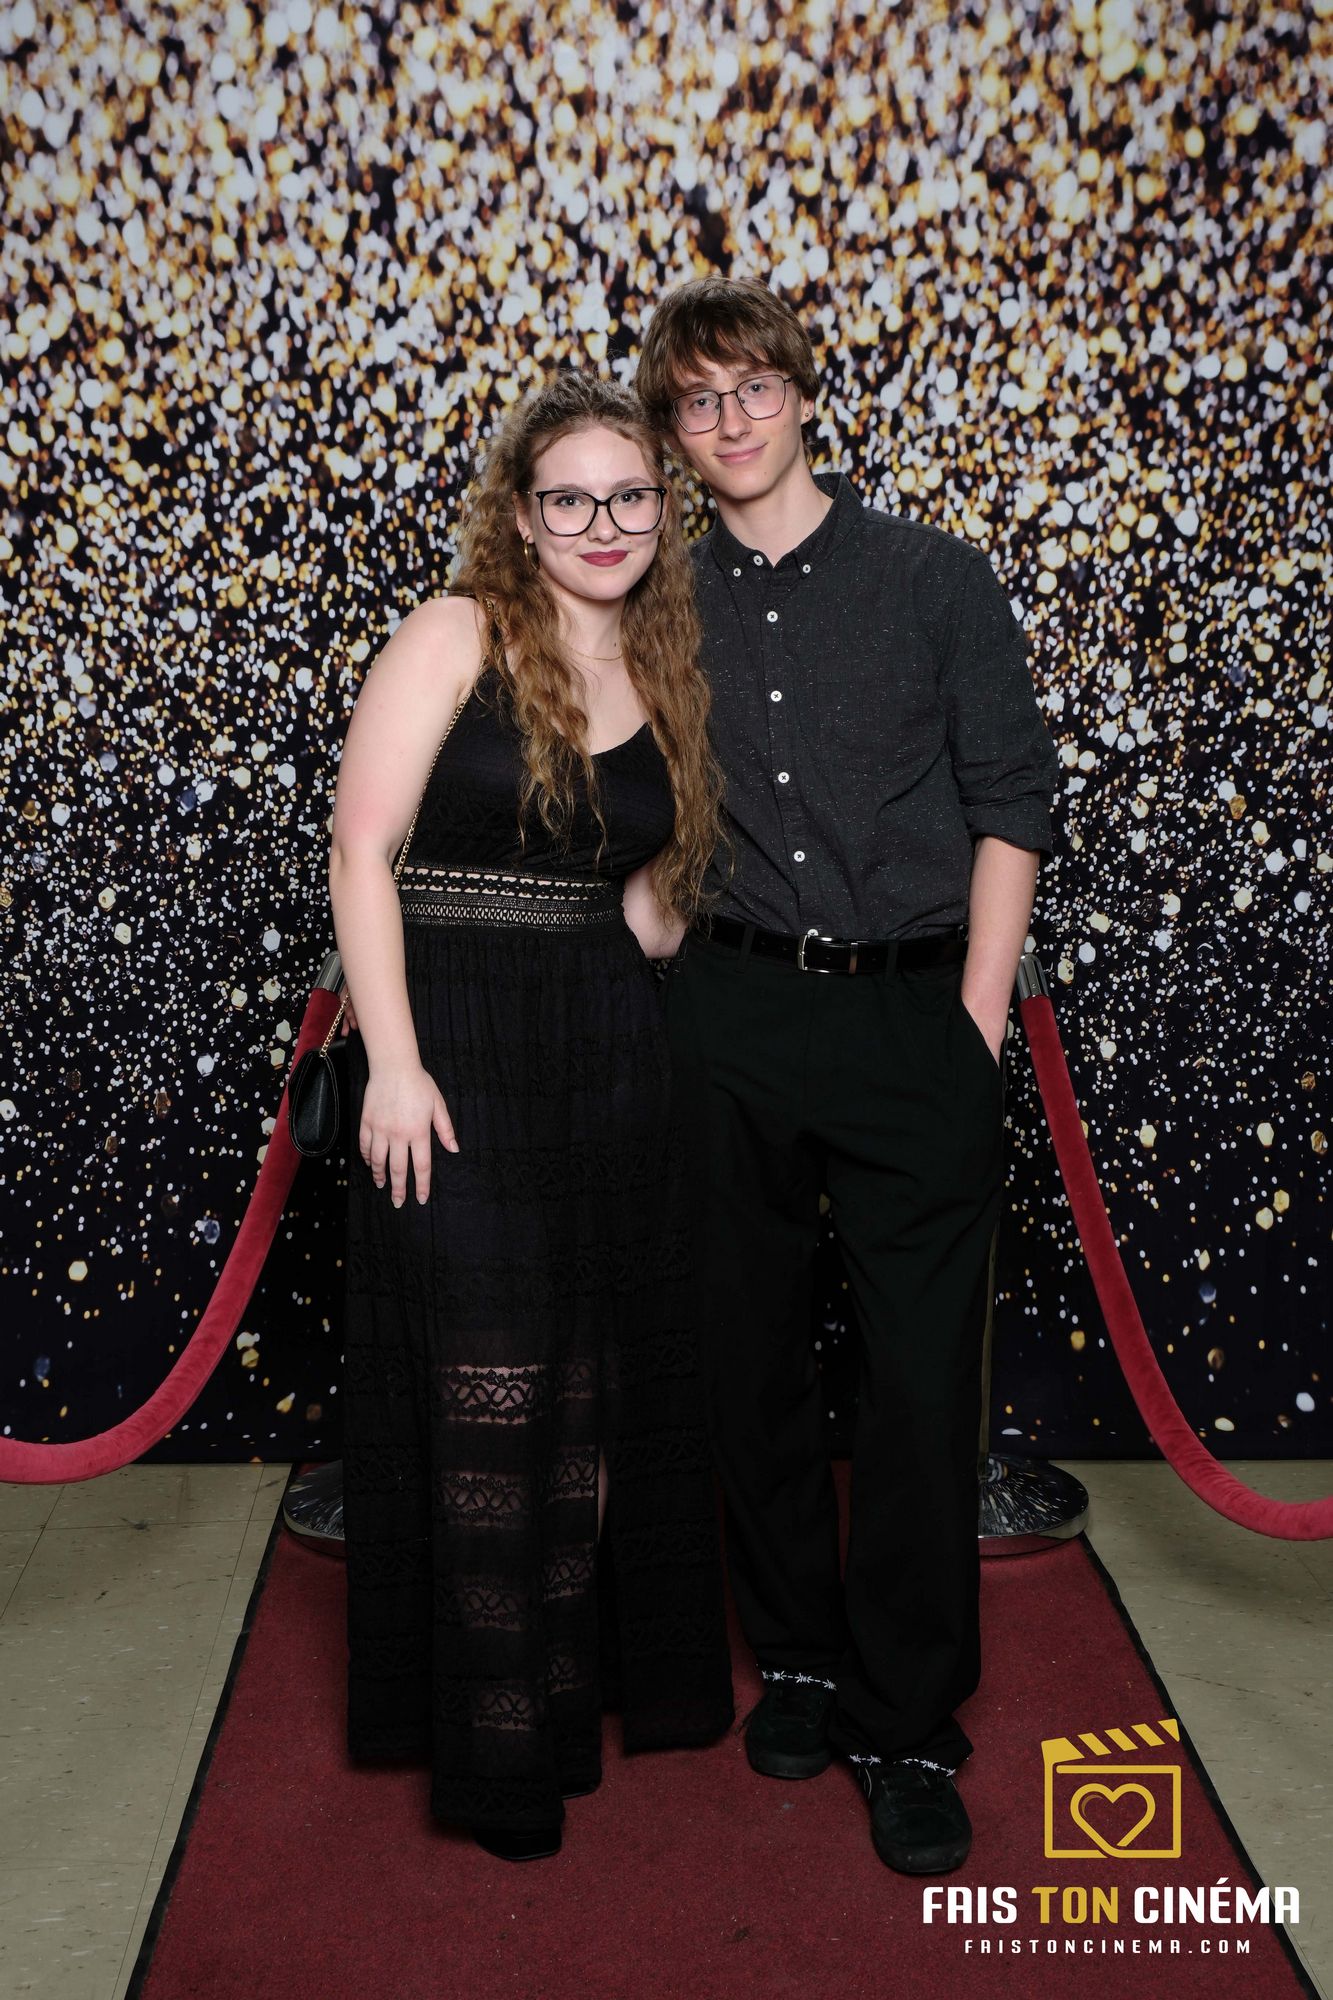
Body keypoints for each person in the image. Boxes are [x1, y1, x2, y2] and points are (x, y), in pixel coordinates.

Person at [634, 277, 1059, 1874]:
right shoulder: (656, 602)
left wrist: (971, 1022)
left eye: (753, 387)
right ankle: (800, 1659)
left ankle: (904, 1719)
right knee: (742, 1362)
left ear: (803, 396)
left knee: (916, 1385)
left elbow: (1010, 804)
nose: (730, 420)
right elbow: (622, 795)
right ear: (673, 434)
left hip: (908, 1023)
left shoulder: (936, 580)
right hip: (728, 1014)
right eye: (697, 401)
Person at [327, 369, 733, 1862]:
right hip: (454, 1054)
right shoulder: (456, 633)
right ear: (521, 514)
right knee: (485, 1394)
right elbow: (362, 852)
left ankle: (561, 1705)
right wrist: (394, 1063)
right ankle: (495, 1752)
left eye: (630, 497)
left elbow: (638, 904)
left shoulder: (663, 662)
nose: (603, 524)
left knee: (586, 1395)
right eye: (571, 499)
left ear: (662, 509)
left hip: (606, 1058)